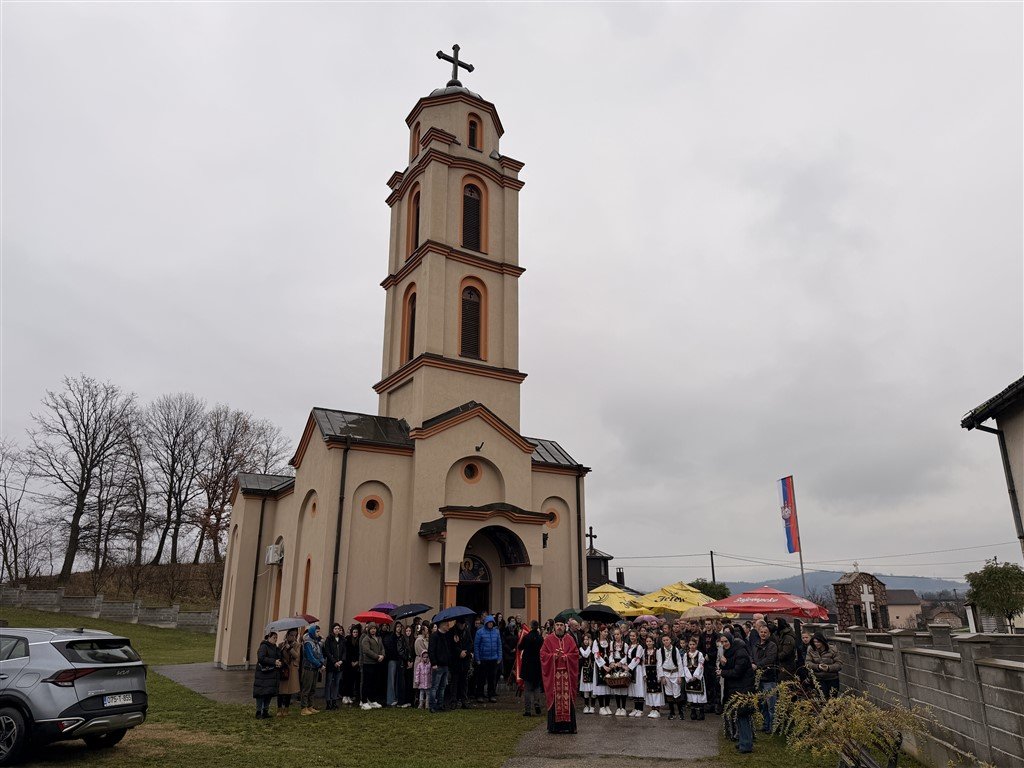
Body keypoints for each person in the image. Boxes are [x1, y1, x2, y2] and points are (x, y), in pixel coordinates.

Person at [540, 618, 579, 734]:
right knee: (555, 698)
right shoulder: (548, 639)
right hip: (554, 675)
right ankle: (554, 727)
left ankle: (570, 727)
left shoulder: (570, 639)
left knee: (568, 699)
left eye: (561, 625)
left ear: (565, 626)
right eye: (557, 625)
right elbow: (542, 655)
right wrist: (554, 656)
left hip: (567, 676)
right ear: (554, 627)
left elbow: (576, 654)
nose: (559, 627)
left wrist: (566, 657)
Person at [719, 635, 755, 754]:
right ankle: (743, 741)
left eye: (726, 641)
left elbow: (737, 672)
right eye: (722, 642)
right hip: (736, 688)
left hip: (743, 688)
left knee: (743, 716)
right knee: (738, 716)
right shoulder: (730, 652)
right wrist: (723, 664)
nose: (724, 644)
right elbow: (731, 667)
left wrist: (723, 672)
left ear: (731, 641)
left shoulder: (740, 653)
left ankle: (746, 744)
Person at [749, 623, 779, 733]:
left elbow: (770, 659)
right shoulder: (756, 644)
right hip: (758, 678)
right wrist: (752, 662)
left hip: (769, 677)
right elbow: (751, 655)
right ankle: (766, 724)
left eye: (765, 632)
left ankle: (772, 726)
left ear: (769, 634)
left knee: (771, 704)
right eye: (761, 632)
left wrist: (758, 665)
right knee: (762, 704)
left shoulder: (772, 645)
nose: (763, 634)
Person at [253, 631, 281, 719]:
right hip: (263, 674)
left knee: (269, 693)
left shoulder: (275, 648)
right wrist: (273, 661)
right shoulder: (264, 646)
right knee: (261, 693)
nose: (275, 639)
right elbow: (261, 658)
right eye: (274, 637)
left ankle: (265, 711)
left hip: (272, 673)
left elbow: (279, 657)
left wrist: (279, 662)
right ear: (268, 638)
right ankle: (258, 712)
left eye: (276, 638)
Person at [474, 615, 502, 702]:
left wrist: (499, 657)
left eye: (491, 623)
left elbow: (499, 645)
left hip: (493, 659)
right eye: (489, 622)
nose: (490, 624)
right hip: (483, 659)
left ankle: (491, 695)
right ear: (486, 623)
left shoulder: (496, 632)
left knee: (492, 679)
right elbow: (476, 646)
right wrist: (477, 658)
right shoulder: (480, 632)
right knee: (481, 679)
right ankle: (480, 695)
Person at [518, 620, 544, 716]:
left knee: (528, 689)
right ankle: (537, 704)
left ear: (531, 626)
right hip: (537, 665)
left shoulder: (527, 637)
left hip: (528, 665)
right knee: (536, 687)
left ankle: (528, 710)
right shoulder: (540, 638)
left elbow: (520, 647)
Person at [805, 633, 842, 699]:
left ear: (822, 641)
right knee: (823, 698)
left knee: (833, 699)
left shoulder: (832, 649)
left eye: (818, 642)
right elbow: (808, 663)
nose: (816, 644)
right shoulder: (811, 649)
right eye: (814, 642)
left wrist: (828, 668)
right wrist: (817, 666)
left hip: (832, 678)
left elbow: (839, 664)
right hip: (818, 678)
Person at [428, 619, 453, 713]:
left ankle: (440, 704)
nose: (448, 627)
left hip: (445, 664)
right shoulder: (434, 636)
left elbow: (448, 649)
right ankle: (432, 706)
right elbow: (431, 650)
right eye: (447, 625)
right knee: (435, 686)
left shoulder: (446, 636)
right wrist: (433, 663)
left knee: (442, 686)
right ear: (442, 626)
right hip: (437, 665)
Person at [359, 621, 386, 709]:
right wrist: (377, 656)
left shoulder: (379, 638)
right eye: (371, 629)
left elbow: (382, 648)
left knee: (374, 683)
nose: (373, 630)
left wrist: (382, 655)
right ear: (369, 630)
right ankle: (364, 701)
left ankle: (372, 700)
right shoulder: (366, 639)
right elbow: (366, 650)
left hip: (376, 664)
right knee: (367, 683)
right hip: (368, 663)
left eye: (374, 628)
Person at [656, 632, 682, 720]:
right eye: (664, 640)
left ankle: (680, 712)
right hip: (666, 674)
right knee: (669, 694)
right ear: (662, 641)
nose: (666, 641)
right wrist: (662, 677)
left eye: (667, 640)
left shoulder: (675, 649)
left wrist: (680, 676)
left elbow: (679, 663)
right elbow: (659, 664)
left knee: (677, 693)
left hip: (675, 673)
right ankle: (672, 712)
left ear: (670, 640)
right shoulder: (660, 651)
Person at [299, 624, 324, 715]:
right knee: (306, 688)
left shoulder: (316, 642)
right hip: (308, 668)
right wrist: (319, 664)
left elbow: (320, 654)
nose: (318, 633)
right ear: (313, 632)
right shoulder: (308, 642)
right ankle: (304, 707)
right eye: (317, 631)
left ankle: (310, 706)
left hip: (315, 668)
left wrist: (321, 662)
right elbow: (310, 657)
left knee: (313, 688)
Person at [450, 617, 474, 709]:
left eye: (463, 624)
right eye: (461, 624)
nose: (462, 626)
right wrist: (459, 652)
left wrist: (466, 652)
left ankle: (464, 700)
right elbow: (451, 646)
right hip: (455, 661)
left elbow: (470, 643)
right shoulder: (452, 632)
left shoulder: (467, 631)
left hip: (465, 661)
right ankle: (453, 701)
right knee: (454, 682)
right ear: (457, 623)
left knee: (464, 682)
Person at [277, 628, 301, 716]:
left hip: (291, 669)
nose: (293, 637)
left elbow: (297, 656)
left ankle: (286, 709)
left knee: (289, 690)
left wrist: (290, 648)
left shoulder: (297, 645)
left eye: (295, 635)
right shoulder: (281, 644)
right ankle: (279, 709)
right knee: (281, 690)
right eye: (291, 635)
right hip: (283, 669)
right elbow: (278, 655)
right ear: (287, 635)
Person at [682, 635, 707, 721]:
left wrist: (696, 676)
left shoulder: (699, 654)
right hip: (689, 675)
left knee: (699, 694)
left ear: (696, 645)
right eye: (690, 644)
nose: (692, 646)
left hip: (697, 676)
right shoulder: (686, 655)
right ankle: (693, 712)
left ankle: (701, 712)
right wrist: (689, 677)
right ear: (688, 645)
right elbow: (684, 666)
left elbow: (701, 665)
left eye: (693, 644)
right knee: (691, 694)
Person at [323, 623, 346, 710]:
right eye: (335, 628)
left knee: (336, 683)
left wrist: (341, 661)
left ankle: (334, 701)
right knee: (329, 683)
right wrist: (334, 661)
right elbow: (327, 652)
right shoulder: (329, 639)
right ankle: (328, 702)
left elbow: (344, 651)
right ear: (332, 629)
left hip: (340, 664)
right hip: (331, 665)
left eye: (338, 629)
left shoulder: (342, 639)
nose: (337, 630)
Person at [640, 635, 664, 718]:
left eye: (650, 641)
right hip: (648, 673)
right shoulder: (644, 651)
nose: (648, 643)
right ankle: (652, 709)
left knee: (656, 691)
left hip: (655, 672)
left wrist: (659, 675)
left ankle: (657, 710)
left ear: (653, 642)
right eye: (647, 641)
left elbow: (659, 663)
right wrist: (644, 674)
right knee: (649, 691)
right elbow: (643, 664)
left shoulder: (657, 651)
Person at [341, 624, 362, 705]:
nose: (355, 633)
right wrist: (350, 662)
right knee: (346, 680)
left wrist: (357, 661)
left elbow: (359, 652)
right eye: (354, 632)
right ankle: (344, 696)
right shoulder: (348, 639)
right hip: (348, 663)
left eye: (356, 632)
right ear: (351, 632)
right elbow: (346, 652)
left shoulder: (359, 640)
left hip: (356, 663)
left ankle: (349, 696)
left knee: (352, 681)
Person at [414, 624, 432, 708]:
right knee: (419, 684)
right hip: (420, 661)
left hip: (426, 661)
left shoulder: (424, 639)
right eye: (426, 629)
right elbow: (423, 651)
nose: (427, 630)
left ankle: (427, 702)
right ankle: (419, 701)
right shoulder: (419, 640)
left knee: (426, 685)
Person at [578, 632, 596, 713]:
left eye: (587, 639)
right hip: (585, 669)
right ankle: (586, 706)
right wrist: (589, 646)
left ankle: (592, 706)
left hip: (592, 669)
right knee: (586, 688)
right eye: (584, 639)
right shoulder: (581, 648)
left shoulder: (594, 647)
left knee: (593, 688)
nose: (586, 641)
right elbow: (585, 655)